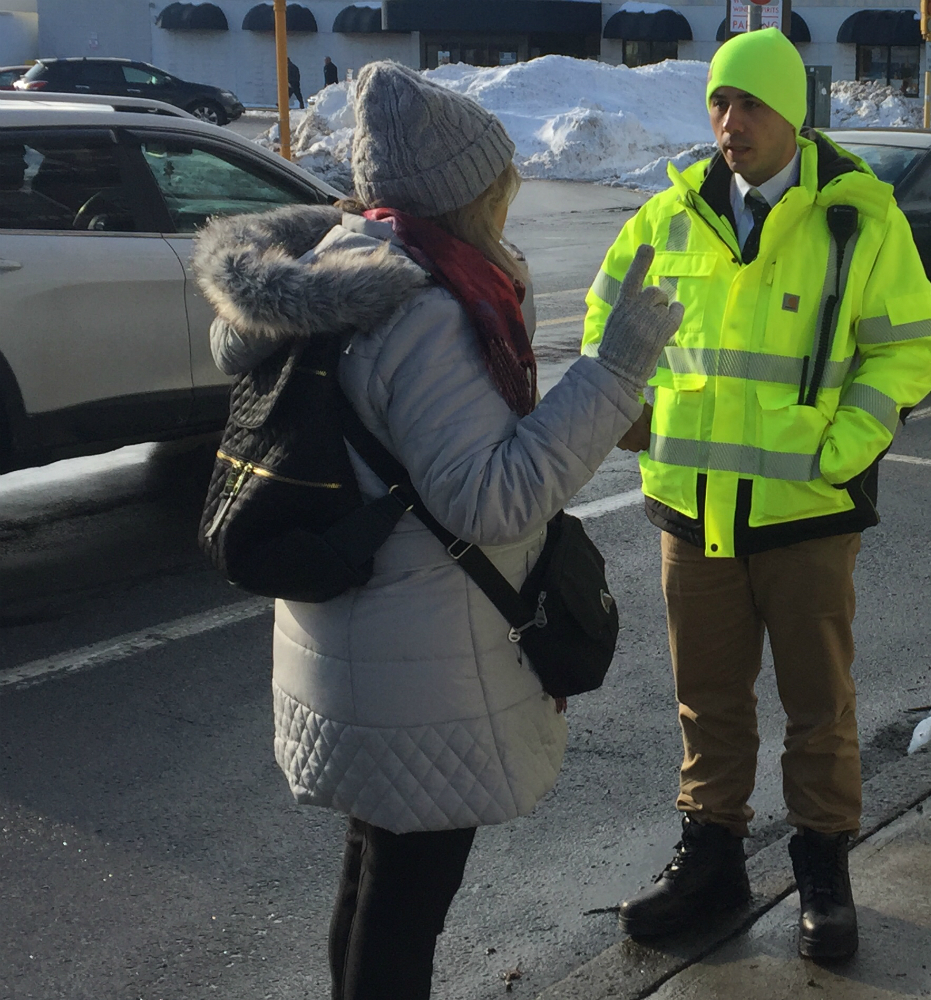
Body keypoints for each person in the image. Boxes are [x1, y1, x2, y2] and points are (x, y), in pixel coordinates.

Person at [192, 61, 681, 998]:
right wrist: (614, 369)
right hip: (422, 654)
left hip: (356, 638)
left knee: (375, 873)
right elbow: (492, 497)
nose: (513, 200)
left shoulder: (339, 274)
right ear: (468, 195)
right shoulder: (419, 310)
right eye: (504, 184)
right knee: (405, 901)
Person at [587, 27, 931, 961]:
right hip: (692, 510)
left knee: (818, 702)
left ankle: (822, 865)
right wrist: (631, 411)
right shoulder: (667, 217)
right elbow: (606, 321)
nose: (729, 122)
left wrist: (844, 445)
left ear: (793, 113)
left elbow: (907, 348)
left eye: (749, 105)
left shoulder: (857, 220)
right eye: (719, 103)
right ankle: (713, 855)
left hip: (806, 513)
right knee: (707, 698)